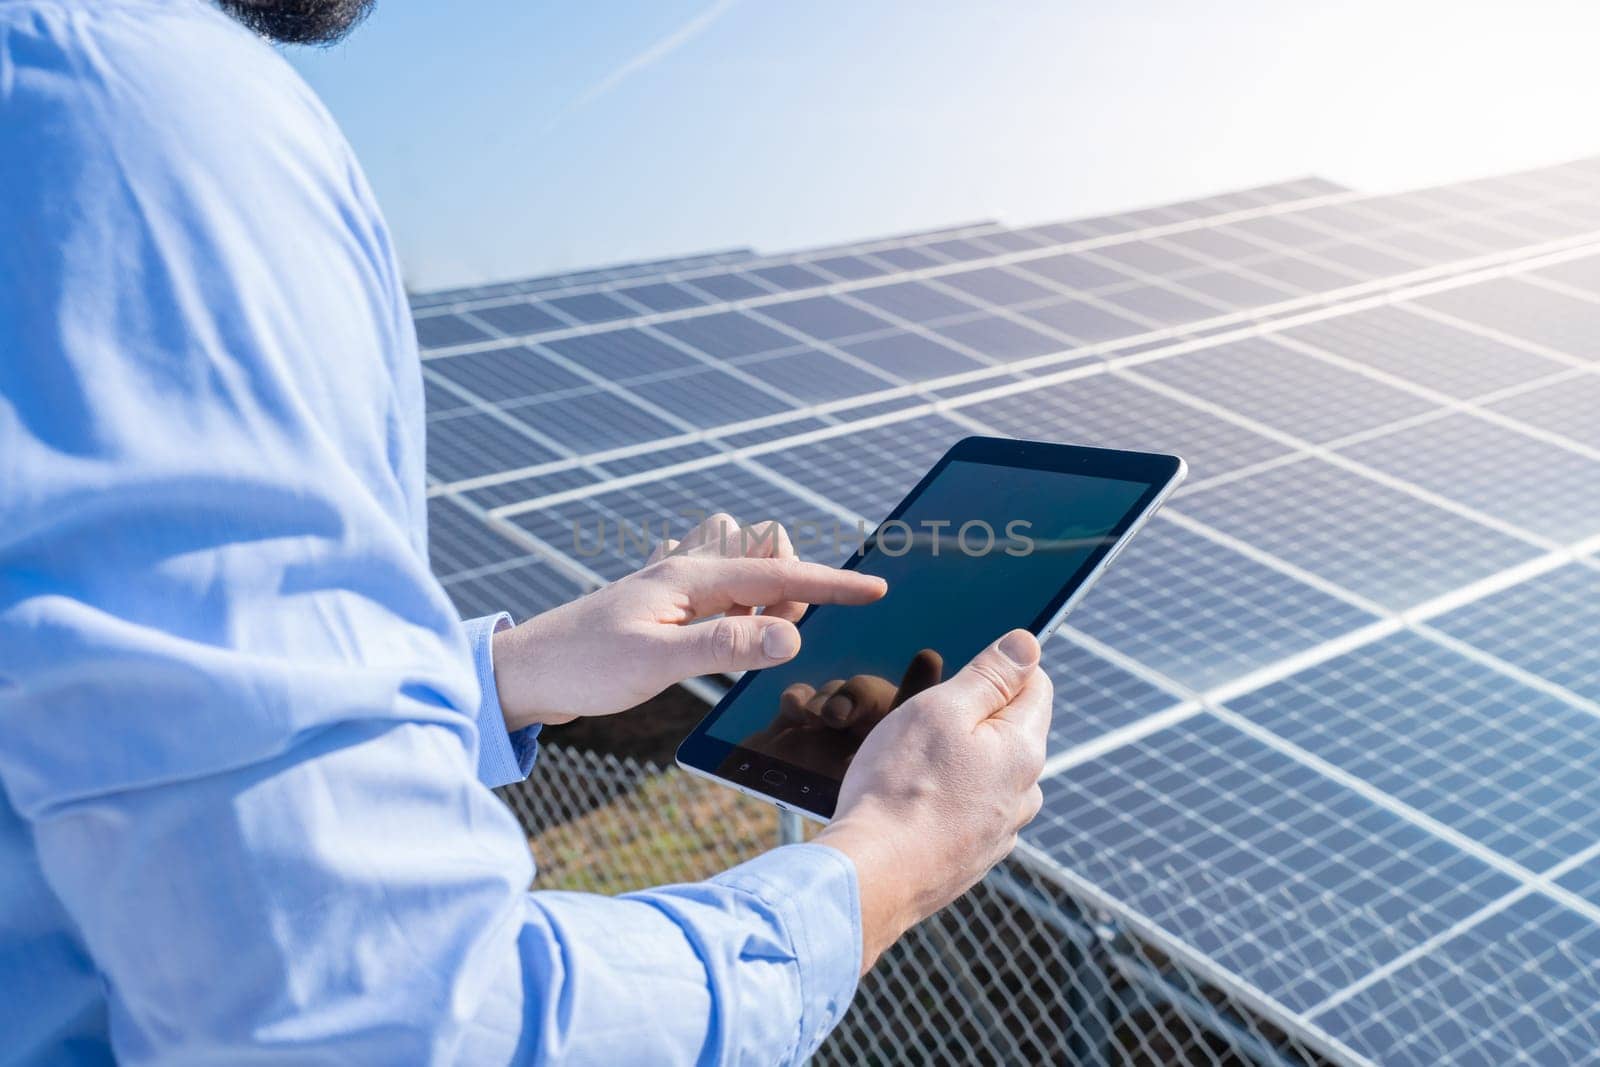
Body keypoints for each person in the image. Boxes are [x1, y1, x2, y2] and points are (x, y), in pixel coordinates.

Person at [0, 1, 1053, 1062]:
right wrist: (883, 865)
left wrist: (502, 673)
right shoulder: (129, 109)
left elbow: (82, 712)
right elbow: (373, 1019)